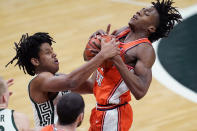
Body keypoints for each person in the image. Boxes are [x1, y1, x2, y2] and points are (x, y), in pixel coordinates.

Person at [87, 0, 182, 130]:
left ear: (151, 28)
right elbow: (89, 60)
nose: (139, 12)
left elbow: (140, 92)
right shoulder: (121, 32)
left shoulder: (144, 50)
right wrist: (94, 43)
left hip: (114, 114)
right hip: (100, 109)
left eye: (146, 14)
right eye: (142, 9)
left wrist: (116, 58)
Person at [6, 32, 120, 129]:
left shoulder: (58, 78)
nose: (54, 54)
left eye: (52, 50)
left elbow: (91, 86)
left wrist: (99, 51)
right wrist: (101, 55)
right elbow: (71, 82)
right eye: (48, 52)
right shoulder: (39, 81)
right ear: (35, 61)